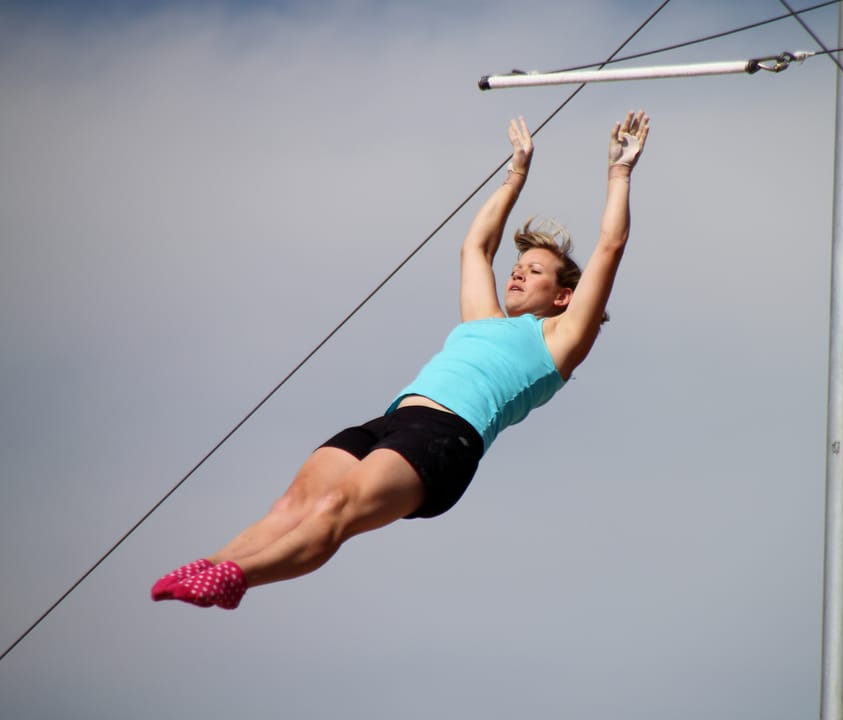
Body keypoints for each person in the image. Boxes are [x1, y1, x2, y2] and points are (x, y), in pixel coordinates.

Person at [151, 109, 650, 609]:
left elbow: (611, 246)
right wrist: (515, 175)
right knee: (292, 505)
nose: (515, 275)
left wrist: (619, 174)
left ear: (564, 295)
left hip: (447, 440)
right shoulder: (483, 319)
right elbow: (476, 248)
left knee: (334, 509)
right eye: (517, 267)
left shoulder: (560, 340)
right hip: (393, 422)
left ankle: (237, 577)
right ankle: (213, 565)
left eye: (534, 270)